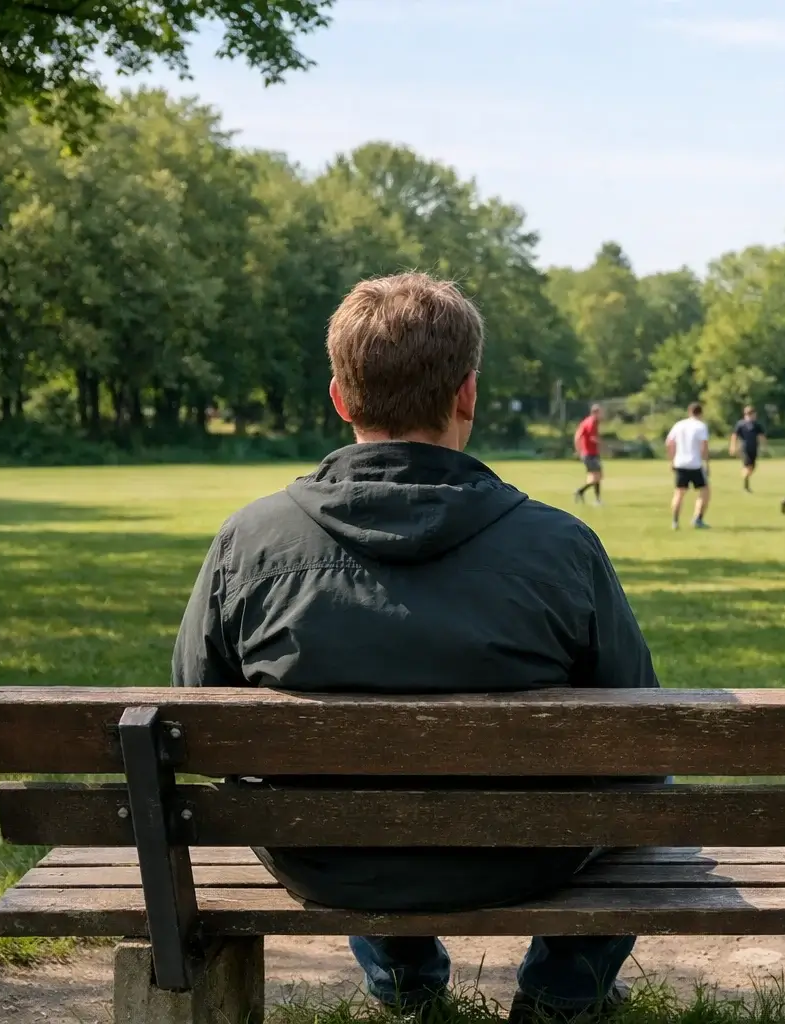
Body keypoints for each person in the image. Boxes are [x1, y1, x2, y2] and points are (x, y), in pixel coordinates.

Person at [171, 273, 657, 1022]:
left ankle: (406, 984)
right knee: (648, 789)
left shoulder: (250, 542)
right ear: (468, 394)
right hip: (526, 858)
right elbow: (642, 733)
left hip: (325, 860)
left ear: (340, 398)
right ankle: (563, 992)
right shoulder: (561, 545)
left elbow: (193, 711)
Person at [666, 402, 711, 529]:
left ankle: (675, 521)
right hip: (695, 464)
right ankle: (698, 519)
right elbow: (704, 446)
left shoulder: (679, 425)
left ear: (689, 412)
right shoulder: (701, 426)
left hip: (680, 463)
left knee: (679, 493)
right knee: (705, 491)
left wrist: (672, 460)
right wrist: (707, 463)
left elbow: (669, 442)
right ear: (701, 413)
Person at [729, 406, 767, 492]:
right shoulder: (741, 424)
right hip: (745, 448)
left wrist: (764, 446)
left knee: (752, 467)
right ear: (752, 414)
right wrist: (733, 446)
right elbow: (734, 435)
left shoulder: (756, 424)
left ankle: (745, 477)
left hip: (754, 448)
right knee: (748, 466)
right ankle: (745, 482)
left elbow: (761, 436)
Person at [573, 404, 603, 505]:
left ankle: (593, 497)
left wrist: (578, 450)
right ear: (595, 412)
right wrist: (603, 444)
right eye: (600, 413)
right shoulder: (592, 422)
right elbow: (592, 437)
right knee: (597, 476)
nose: (601, 415)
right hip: (590, 454)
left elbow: (577, 436)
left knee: (596, 476)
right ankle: (581, 492)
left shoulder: (586, 422)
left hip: (588, 454)